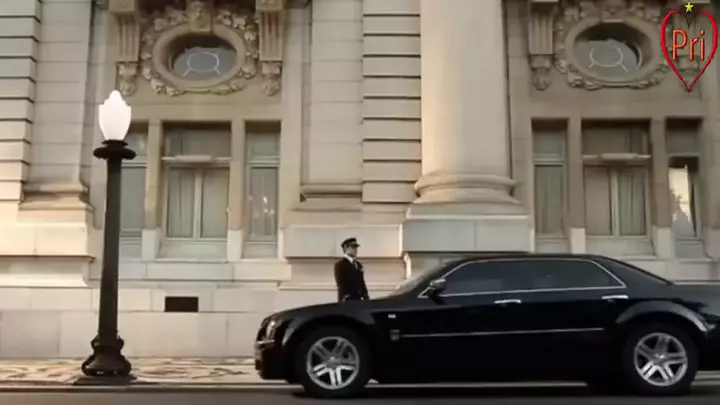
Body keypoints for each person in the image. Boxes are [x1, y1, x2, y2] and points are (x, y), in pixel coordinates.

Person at [334, 237, 369, 302]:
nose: (355, 250)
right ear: (345, 248)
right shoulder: (340, 265)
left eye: (356, 247)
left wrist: (366, 296)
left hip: (359, 300)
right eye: (353, 247)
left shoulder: (358, 264)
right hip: (347, 300)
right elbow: (341, 284)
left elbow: (362, 282)